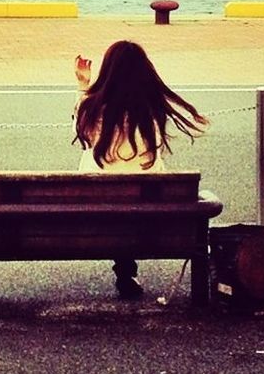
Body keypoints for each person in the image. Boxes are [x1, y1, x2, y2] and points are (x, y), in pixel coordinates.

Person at [73, 39, 209, 299]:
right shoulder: (152, 111)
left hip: (96, 212)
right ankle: (127, 269)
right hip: (146, 214)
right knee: (138, 183)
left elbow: (83, 139)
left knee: (99, 170)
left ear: (107, 71)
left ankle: (125, 268)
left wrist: (83, 86)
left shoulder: (89, 107)